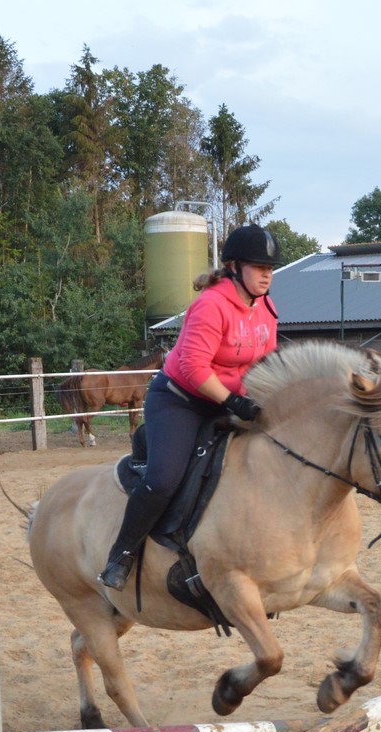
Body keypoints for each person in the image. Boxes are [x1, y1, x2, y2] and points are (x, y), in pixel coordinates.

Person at [98, 223, 282, 589]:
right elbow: (194, 367)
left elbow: (268, 358)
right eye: (259, 267)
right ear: (234, 267)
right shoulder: (210, 305)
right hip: (181, 400)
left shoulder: (265, 307)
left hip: (230, 400)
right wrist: (234, 401)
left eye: (270, 268)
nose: (267, 275)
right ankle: (121, 554)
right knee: (164, 479)